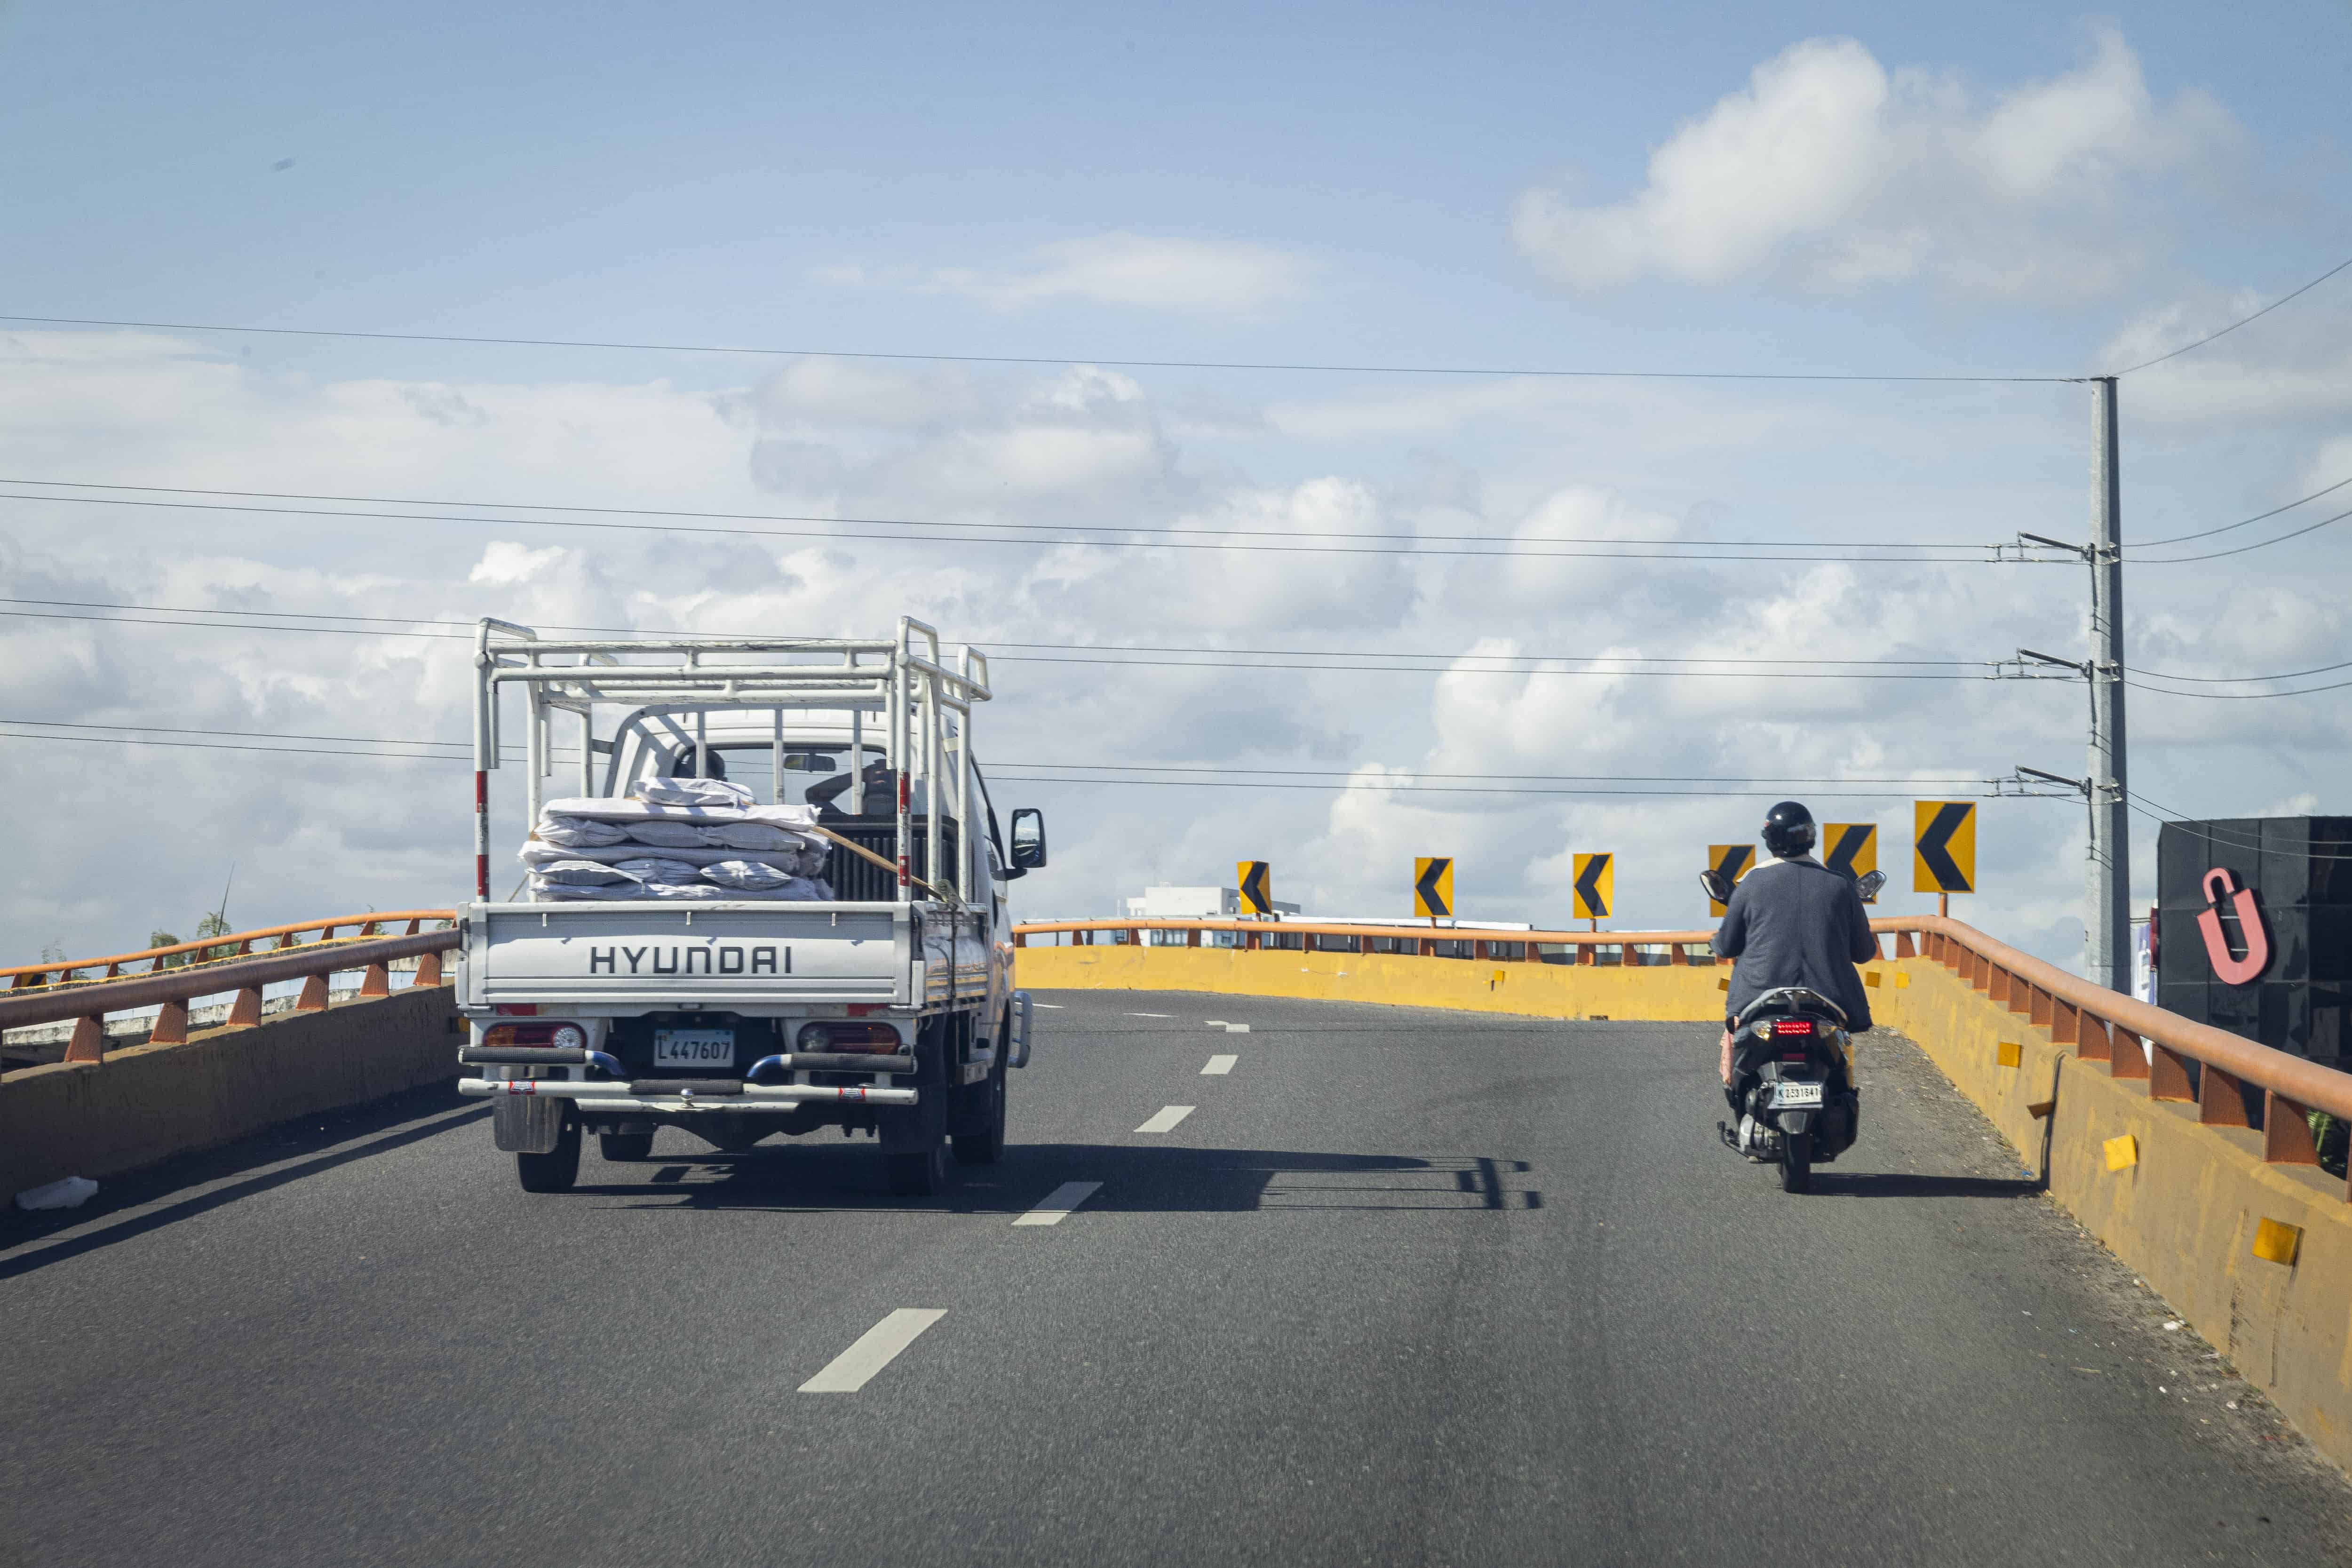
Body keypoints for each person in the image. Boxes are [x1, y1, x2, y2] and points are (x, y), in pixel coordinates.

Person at [1710, 800, 1877, 1097]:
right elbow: (1864, 952)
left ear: (1769, 840)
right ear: (1810, 838)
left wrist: (1716, 942)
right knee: (1844, 1066)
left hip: (1758, 997)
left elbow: (1726, 946)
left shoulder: (1750, 884)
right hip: (1829, 998)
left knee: (1734, 1046)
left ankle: (1739, 1094)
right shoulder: (1840, 885)